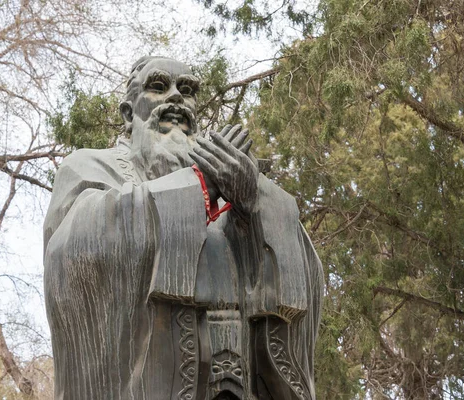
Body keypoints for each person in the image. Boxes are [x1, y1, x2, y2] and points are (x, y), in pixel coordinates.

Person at [43, 56, 323, 400]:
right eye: (159, 87)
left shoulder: (234, 181)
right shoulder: (90, 167)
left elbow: (307, 275)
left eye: (187, 90)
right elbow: (71, 252)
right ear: (129, 113)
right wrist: (197, 187)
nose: (176, 98)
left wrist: (254, 203)